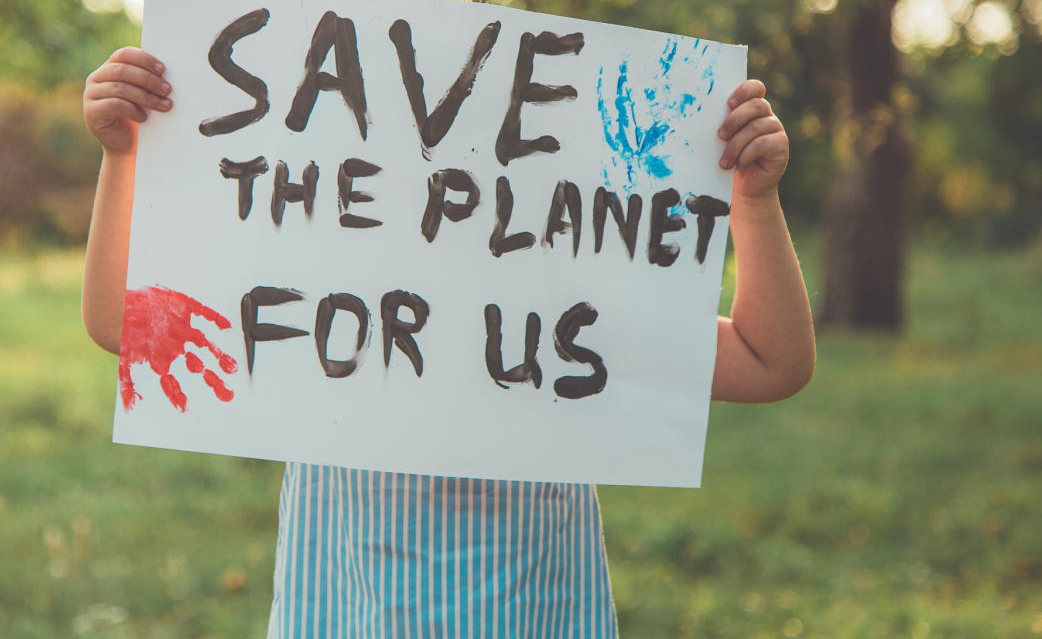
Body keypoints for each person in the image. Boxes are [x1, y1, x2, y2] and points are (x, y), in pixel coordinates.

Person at [81, 43, 816, 637]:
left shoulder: (574, 321)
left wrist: (752, 201)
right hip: (340, 616)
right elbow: (122, 320)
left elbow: (770, 360)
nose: (444, 198)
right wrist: (126, 157)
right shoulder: (318, 311)